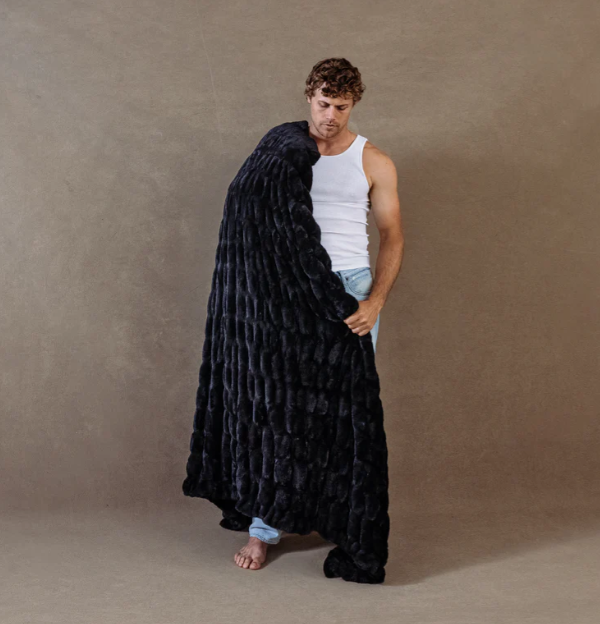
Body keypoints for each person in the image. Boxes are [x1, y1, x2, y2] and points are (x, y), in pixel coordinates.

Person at [234, 57, 404, 570]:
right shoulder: (283, 152)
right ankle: (263, 531)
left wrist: (375, 301)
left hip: (348, 291)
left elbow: (393, 236)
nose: (331, 116)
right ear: (309, 97)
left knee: (342, 417)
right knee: (279, 413)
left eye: (341, 106)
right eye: (324, 103)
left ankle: (341, 522)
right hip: (290, 292)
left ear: (355, 104)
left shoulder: (374, 161)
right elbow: (247, 212)